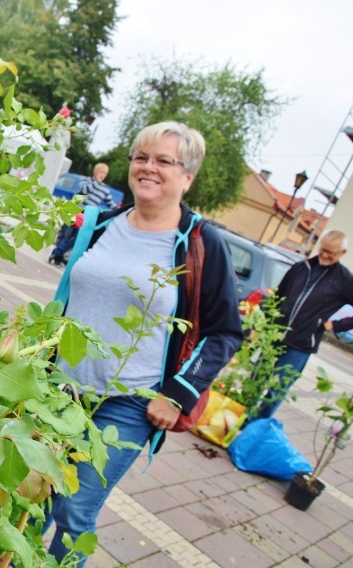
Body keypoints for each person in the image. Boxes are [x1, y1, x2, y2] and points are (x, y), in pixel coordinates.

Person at [47, 121, 243, 565]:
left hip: (129, 401)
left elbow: (226, 331)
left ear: (187, 176)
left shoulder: (198, 242)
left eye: (163, 161)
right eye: (141, 157)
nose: (147, 167)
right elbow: (68, 297)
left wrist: (177, 395)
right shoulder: (102, 225)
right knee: (32, 493)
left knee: (75, 509)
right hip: (58, 389)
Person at [252, 231, 353, 420]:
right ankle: (240, 419)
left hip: (301, 344)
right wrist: (263, 326)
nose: (324, 255)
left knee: (277, 390)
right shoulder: (301, 267)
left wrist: (337, 325)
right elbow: (277, 297)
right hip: (274, 335)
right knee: (255, 380)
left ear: (342, 253)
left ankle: (254, 428)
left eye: (330, 252)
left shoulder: (344, 280)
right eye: (323, 249)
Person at [48, 162, 115, 266]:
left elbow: (111, 204)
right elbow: (83, 190)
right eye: (101, 172)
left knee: (77, 238)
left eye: (105, 173)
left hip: (88, 216)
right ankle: (58, 256)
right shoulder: (86, 181)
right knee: (66, 235)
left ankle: (57, 253)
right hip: (76, 211)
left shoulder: (105, 189)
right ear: (95, 171)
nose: (103, 175)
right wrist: (95, 182)